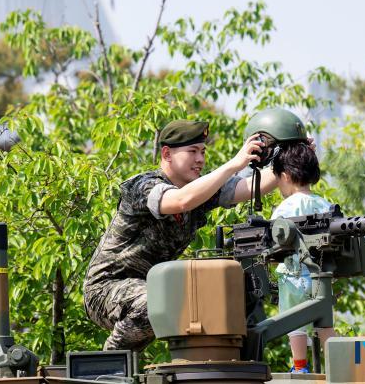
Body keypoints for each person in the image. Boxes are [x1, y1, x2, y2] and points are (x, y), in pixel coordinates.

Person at [83, 119, 277, 351]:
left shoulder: (199, 189)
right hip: (105, 288)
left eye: (203, 151)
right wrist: (232, 165)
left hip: (149, 289)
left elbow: (247, 187)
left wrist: (292, 158)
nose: (200, 159)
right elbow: (180, 201)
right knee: (162, 302)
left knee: (206, 300)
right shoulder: (142, 185)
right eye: (192, 151)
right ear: (166, 154)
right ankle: (110, 363)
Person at [270, 142, 336, 373]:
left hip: (292, 275)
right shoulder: (324, 204)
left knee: (293, 321)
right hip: (320, 276)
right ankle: (335, 366)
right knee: (324, 322)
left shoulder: (284, 208)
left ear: (285, 176)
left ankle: (300, 366)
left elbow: (275, 238)